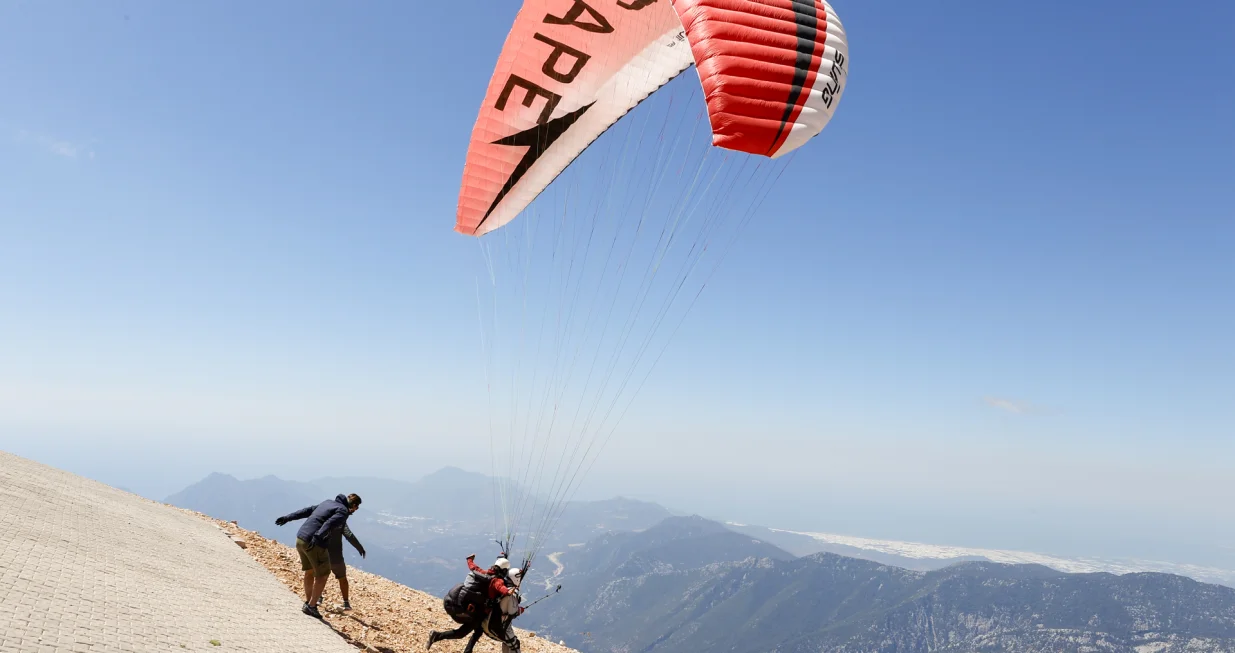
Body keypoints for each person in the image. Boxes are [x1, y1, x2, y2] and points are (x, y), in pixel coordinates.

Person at [275, 493, 362, 619]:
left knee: (309, 571)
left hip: (300, 538)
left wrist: (287, 518)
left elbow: (307, 511)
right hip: (313, 542)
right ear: (353, 505)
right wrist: (318, 536)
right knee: (323, 574)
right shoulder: (343, 511)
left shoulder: (327, 502)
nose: (354, 511)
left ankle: (309, 602)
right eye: (356, 508)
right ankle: (311, 606)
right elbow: (329, 523)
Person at [427, 555, 523, 653]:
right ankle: (437, 636)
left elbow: (474, 568)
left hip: (477, 609)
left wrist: (469, 560)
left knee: (478, 630)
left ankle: (466, 650)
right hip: (480, 611)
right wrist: (507, 592)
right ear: (503, 571)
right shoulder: (497, 580)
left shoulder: (486, 573)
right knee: (463, 632)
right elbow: (499, 587)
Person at [315, 523, 365, 611]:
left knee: (322, 577)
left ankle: (319, 597)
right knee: (342, 579)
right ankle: (346, 603)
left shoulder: (323, 518)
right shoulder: (341, 522)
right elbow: (349, 535)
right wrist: (359, 547)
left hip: (323, 554)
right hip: (336, 557)